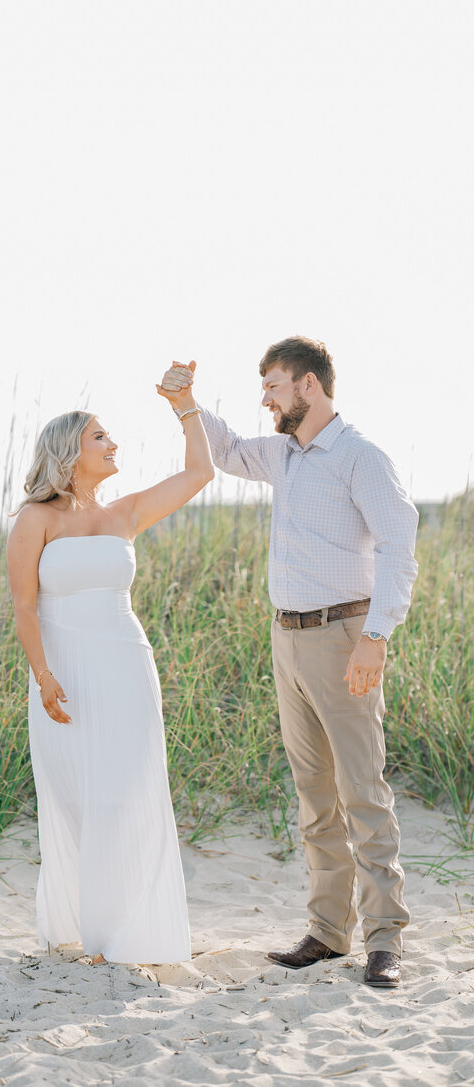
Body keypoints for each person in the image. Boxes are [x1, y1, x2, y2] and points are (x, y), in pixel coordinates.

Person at [160, 337, 418, 989]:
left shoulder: (361, 456)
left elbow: (398, 549)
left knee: (363, 789)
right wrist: (185, 403)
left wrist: (376, 637)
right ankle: (329, 933)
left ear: (309, 385)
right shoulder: (285, 455)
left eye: (274, 385)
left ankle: (385, 941)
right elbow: (224, 451)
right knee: (314, 796)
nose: (266, 399)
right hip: (288, 641)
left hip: (345, 635)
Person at [6, 364, 213, 970]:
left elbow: (200, 472)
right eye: (100, 436)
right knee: (80, 796)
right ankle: (88, 925)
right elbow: (24, 604)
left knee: (128, 791)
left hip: (125, 663)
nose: (113, 443)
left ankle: (123, 933)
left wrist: (185, 404)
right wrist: (43, 675)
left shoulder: (124, 514)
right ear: (70, 450)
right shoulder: (35, 519)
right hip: (65, 670)